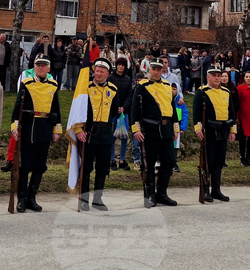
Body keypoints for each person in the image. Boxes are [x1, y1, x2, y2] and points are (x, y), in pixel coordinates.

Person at [131, 59, 180, 208]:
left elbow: (172, 108)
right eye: (153, 69)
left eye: (159, 69)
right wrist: (136, 129)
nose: (156, 72)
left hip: (166, 130)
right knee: (149, 164)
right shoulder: (142, 86)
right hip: (150, 130)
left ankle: (162, 193)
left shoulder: (167, 86)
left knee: (169, 161)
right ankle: (150, 195)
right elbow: (134, 109)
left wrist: (175, 127)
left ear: (162, 70)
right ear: (149, 70)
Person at [75, 58, 119, 211]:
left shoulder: (113, 89)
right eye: (97, 71)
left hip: (105, 133)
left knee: (103, 168)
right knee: (86, 168)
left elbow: (114, 111)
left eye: (102, 72)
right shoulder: (85, 87)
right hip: (88, 132)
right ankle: (84, 199)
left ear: (107, 73)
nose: (99, 74)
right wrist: (78, 130)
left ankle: (98, 199)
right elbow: (77, 110)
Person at [193, 66, 238, 203]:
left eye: (219, 75)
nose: (217, 78)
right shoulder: (202, 92)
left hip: (223, 130)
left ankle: (216, 189)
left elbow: (232, 112)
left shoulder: (226, 92)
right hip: (209, 131)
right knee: (208, 161)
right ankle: (206, 189)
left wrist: (232, 130)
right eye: (214, 75)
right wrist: (198, 128)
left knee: (219, 161)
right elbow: (196, 112)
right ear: (208, 77)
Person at [108, 58, 134, 171]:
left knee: (124, 136)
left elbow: (130, 95)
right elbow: (109, 94)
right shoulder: (110, 78)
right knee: (112, 136)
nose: (120, 67)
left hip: (124, 112)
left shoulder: (127, 79)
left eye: (122, 65)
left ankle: (122, 160)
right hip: (113, 112)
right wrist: (116, 107)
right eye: (119, 64)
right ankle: (112, 160)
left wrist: (124, 107)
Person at [236, 71, 250, 166]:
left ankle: (249, 157)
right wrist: (237, 117)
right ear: (244, 78)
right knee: (243, 137)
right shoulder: (240, 88)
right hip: (243, 115)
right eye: (247, 77)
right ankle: (242, 157)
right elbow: (237, 103)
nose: (248, 79)